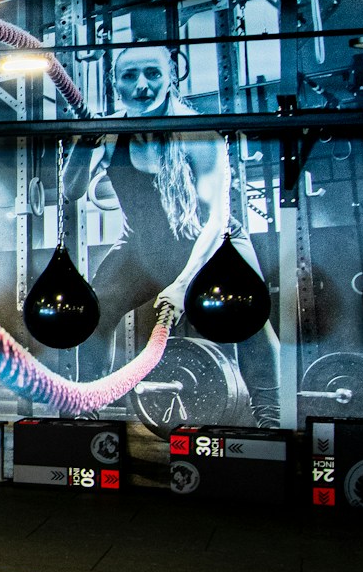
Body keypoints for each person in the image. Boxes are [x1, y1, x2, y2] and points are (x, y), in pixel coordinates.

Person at [63, 45, 282, 427]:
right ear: (116, 84)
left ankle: (272, 421)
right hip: (142, 247)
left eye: (153, 74)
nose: (143, 86)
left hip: (214, 245)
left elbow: (216, 219)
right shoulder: (111, 133)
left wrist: (182, 285)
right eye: (130, 76)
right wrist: (82, 148)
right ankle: (88, 405)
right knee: (96, 308)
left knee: (250, 319)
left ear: (171, 78)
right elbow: (71, 191)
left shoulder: (200, 135)